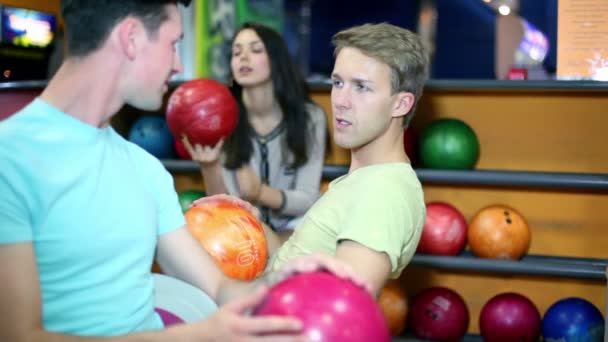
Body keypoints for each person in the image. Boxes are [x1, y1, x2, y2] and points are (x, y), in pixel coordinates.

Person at [0, 1, 367, 341]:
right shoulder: (11, 157)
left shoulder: (145, 168)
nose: (178, 65)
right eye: (173, 43)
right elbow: (19, 336)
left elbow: (220, 287)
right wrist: (195, 335)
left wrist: (284, 280)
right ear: (131, 38)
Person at [262, 22, 430, 295]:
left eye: (361, 87)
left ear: (401, 104)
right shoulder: (364, 179)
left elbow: (340, 311)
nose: (340, 100)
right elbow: (299, 263)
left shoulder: (382, 192)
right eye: (338, 82)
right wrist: (252, 227)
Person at [183, 22, 327, 241]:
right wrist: (209, 166)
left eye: (256, 49)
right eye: (236, 52)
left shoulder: (310, 117)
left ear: (276, 59)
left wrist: (260, 193)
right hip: (244, 229)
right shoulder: (222, 117)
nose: (243, 57)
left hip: (295, 229)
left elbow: (308, 199)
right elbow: (224, 208)